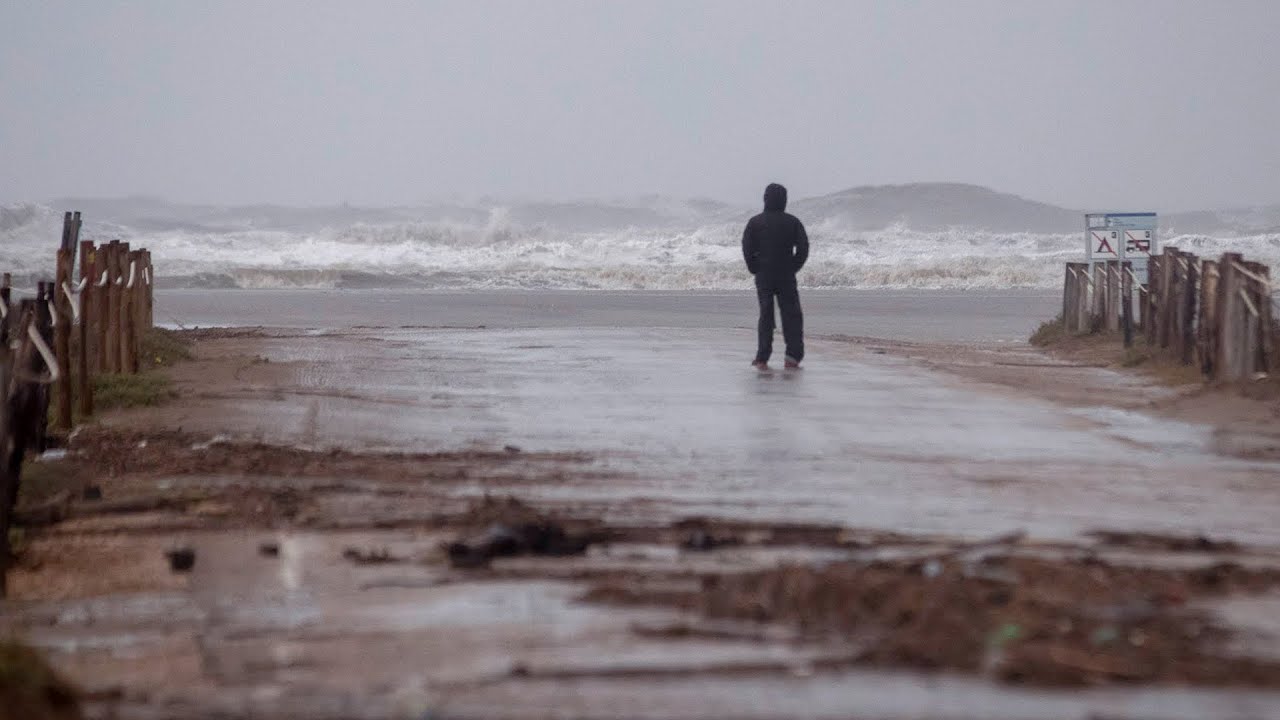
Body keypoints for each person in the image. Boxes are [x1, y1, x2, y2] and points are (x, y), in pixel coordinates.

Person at [742, 183, 808, 369]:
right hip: (786, 273)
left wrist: (754, 267)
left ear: (765, 199)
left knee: (766, 314)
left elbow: (747, 247)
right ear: (784, 200)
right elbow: (803, 248)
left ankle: (762, 357)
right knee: (791, 314)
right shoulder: (793, 222)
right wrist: (794, 266)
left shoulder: (755, 222)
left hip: (764, 273)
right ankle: (792, 356)